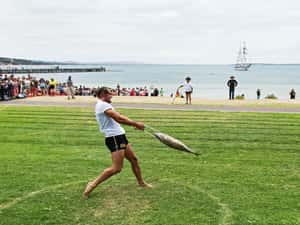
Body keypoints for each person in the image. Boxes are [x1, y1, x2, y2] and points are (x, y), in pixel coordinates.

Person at [83, 87, 152, 198]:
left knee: (134, 159)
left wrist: (134, 123)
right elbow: (118, 119)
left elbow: (120, 116)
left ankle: (141, 182)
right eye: (110, 94)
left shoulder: (104, 104)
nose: (112, 96)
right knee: (116, 168)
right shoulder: (102, 105)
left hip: (120, 137)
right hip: (114, 138)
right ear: (103, 95)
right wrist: (136, 124)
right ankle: (92, 184)